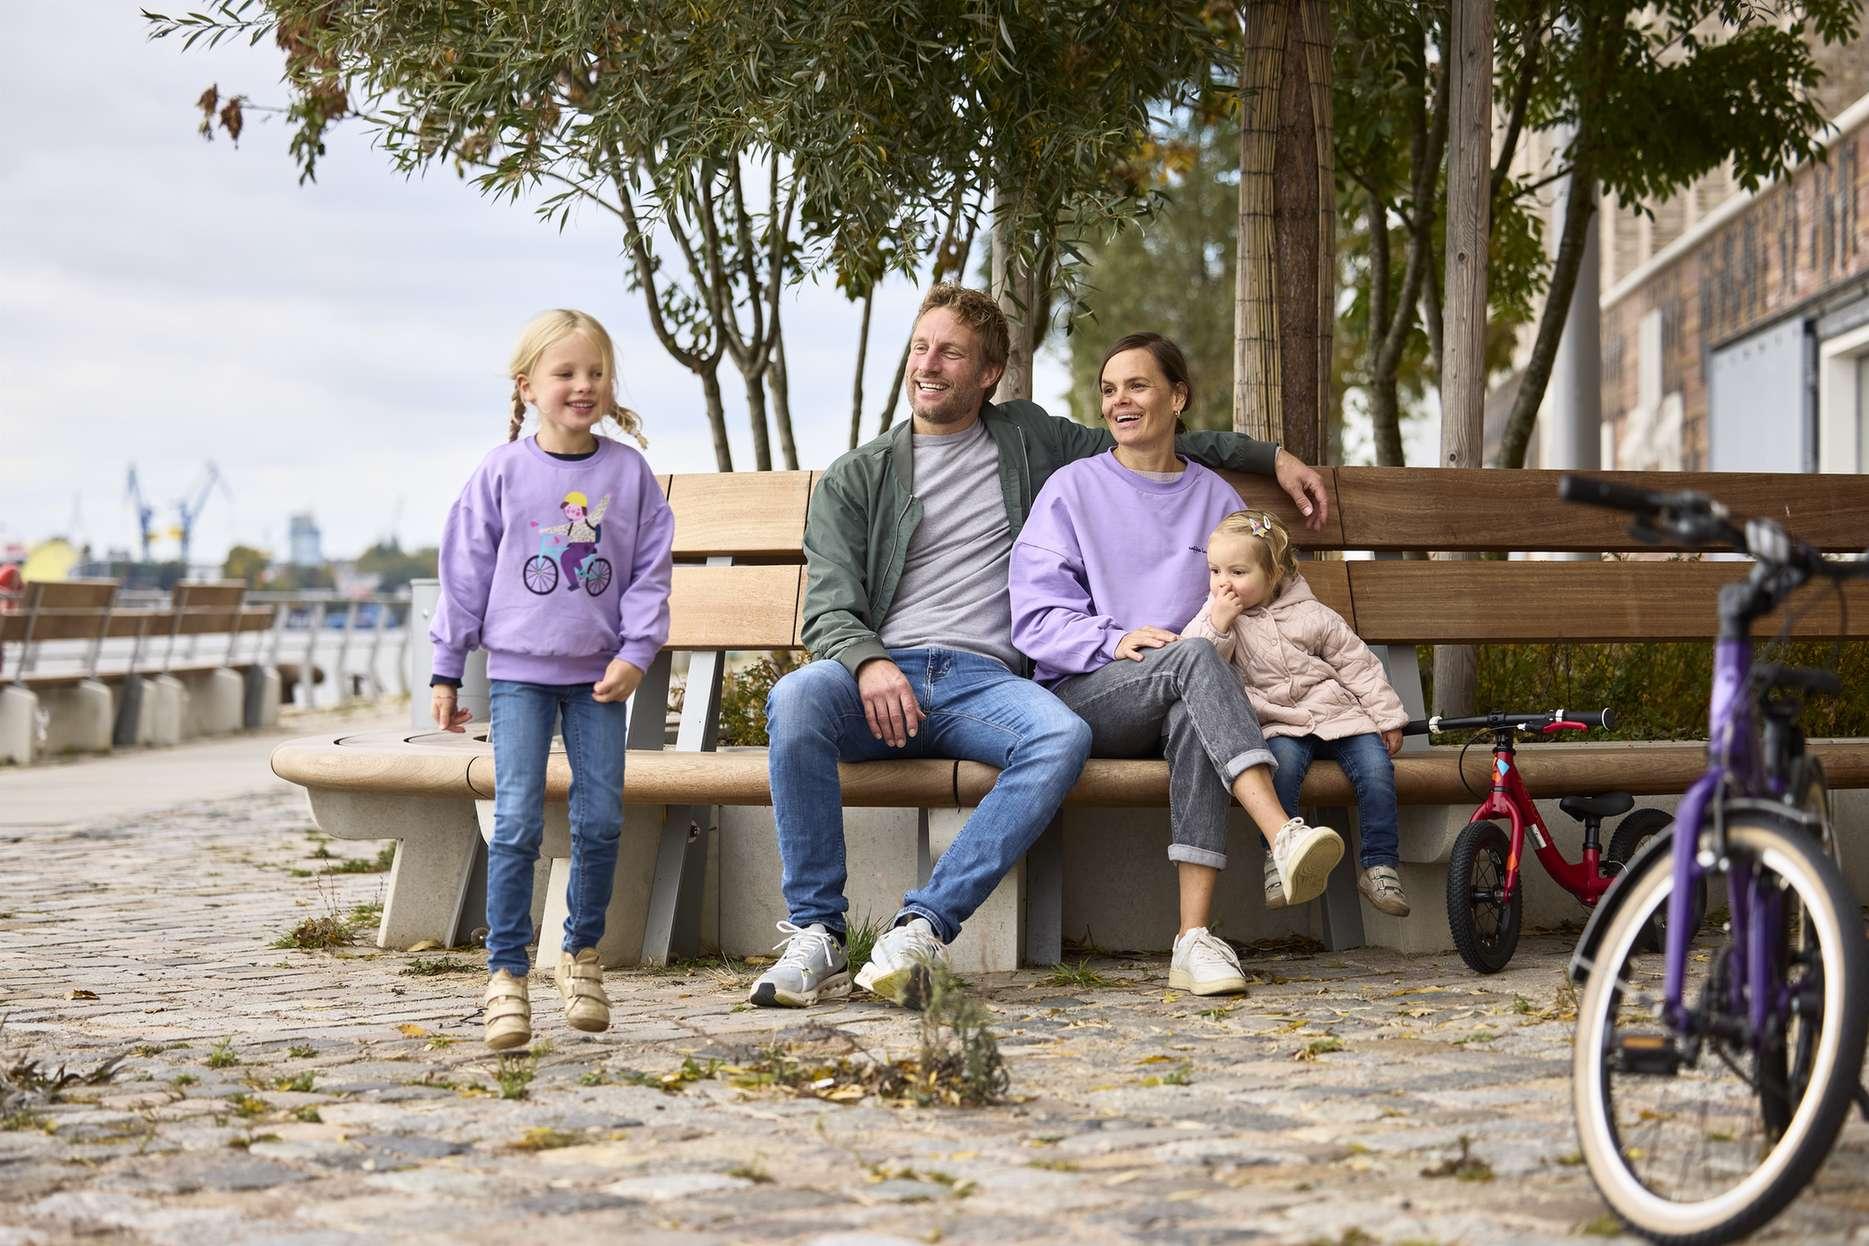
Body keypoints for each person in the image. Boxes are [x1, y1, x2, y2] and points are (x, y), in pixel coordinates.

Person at [748, 287, 1331, 1009]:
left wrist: (1269, 457)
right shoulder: (856, 476)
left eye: (950, 352)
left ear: (988, 372)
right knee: (795, 697)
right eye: (920, 347)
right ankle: (816, 931)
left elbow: (1156, 444)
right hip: (880, 672)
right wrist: (867, 661)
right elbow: (829, 605)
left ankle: (921, 927)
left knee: (1061, 734)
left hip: (986, 685)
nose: (927, 364)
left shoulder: (1030, 440)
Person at [1009, 333, 1342, 998]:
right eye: (1108, 390)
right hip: (1086, 694)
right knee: (1189, 662)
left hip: (1190, 689)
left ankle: (1192, 938)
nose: (1118, 401)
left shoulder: (1215, 497)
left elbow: (1247, 607)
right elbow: (1034, 618)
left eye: (1135, 385)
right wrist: (1111, 640)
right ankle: (1279, 832)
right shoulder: (1071, 489)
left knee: (1193, 695)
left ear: (1177, 396)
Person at [429, 309, 675, 1050]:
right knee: (516, 825)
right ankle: (506, 972)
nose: (582, 386)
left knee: (601, 821)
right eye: (564, 373)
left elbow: (648, 572)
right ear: (527, 385)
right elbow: (463, 573)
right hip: (518, 678)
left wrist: (637, 651)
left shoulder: (626, 474)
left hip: (600, 679)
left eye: (595, 373)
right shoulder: (502, 471)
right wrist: (447, 671)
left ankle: (579, 953)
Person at [1182, 509, 1411, 916]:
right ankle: (1279, 857)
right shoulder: (1218, 616)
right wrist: (1218, 625)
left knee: (1377, 770)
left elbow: (1357, 664)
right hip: (1277, 723)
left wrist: (1387, 716)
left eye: (1237, 571)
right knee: (1279, 771)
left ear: (1273, 574)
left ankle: (1379, 865)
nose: (1222, 583)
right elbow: (1197, 666)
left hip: (1340, 716)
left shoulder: (1313, 614)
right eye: (1215, 571)